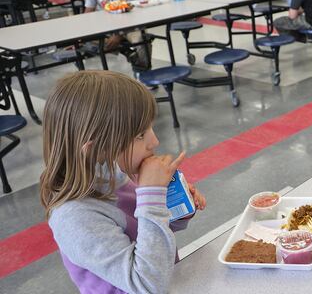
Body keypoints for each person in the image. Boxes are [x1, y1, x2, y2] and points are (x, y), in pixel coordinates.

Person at [41, 70, 207, 293]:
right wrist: (151, 197)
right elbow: (146, 284)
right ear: (96, 150)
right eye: (140, 135)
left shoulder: (116, 174)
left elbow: (151, 240)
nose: (154, 141)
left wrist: (174, 206)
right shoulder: (75, 218)